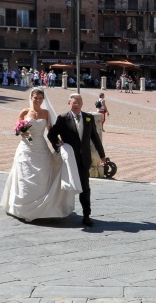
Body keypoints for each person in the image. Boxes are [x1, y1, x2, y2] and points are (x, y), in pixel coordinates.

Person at [0, 88, 80, 221]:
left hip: (41, 148)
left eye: (40, 98)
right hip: (26, 149)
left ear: (43, 99)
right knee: (23, 177)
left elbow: (50, 132)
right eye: (35, 97)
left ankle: (42, 209)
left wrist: (59, 143)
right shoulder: (25, 112)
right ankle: (24, 208)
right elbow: (17, 129)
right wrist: (21, 132)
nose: (37, 100)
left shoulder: (46, 113)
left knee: (42, 178)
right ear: (31, 97)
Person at [46, 94, 106, 227]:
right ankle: (57, 210)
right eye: (74, 102)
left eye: (79, 102)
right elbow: (51, 134)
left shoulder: (89, 118)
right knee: (64, 187)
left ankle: (86, 215)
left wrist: (102, 155)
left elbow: (95, 138)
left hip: (84, 159)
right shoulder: (63, 118)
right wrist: (58, 145)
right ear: (69, 104)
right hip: (69, 160)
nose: (76, 104)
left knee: (85, 188)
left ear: (82, 104)